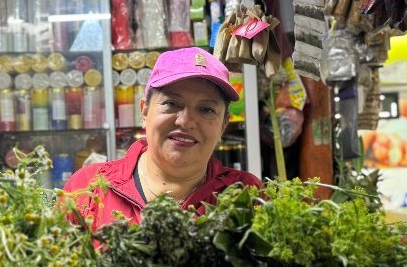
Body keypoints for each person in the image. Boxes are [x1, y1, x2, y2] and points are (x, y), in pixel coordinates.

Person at [64, 47, 263, 229]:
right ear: (144, 111)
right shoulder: (88, 189)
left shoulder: (248, 195)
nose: (186, 122)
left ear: (223, 125)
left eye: (206, 109)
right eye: (171, 104)